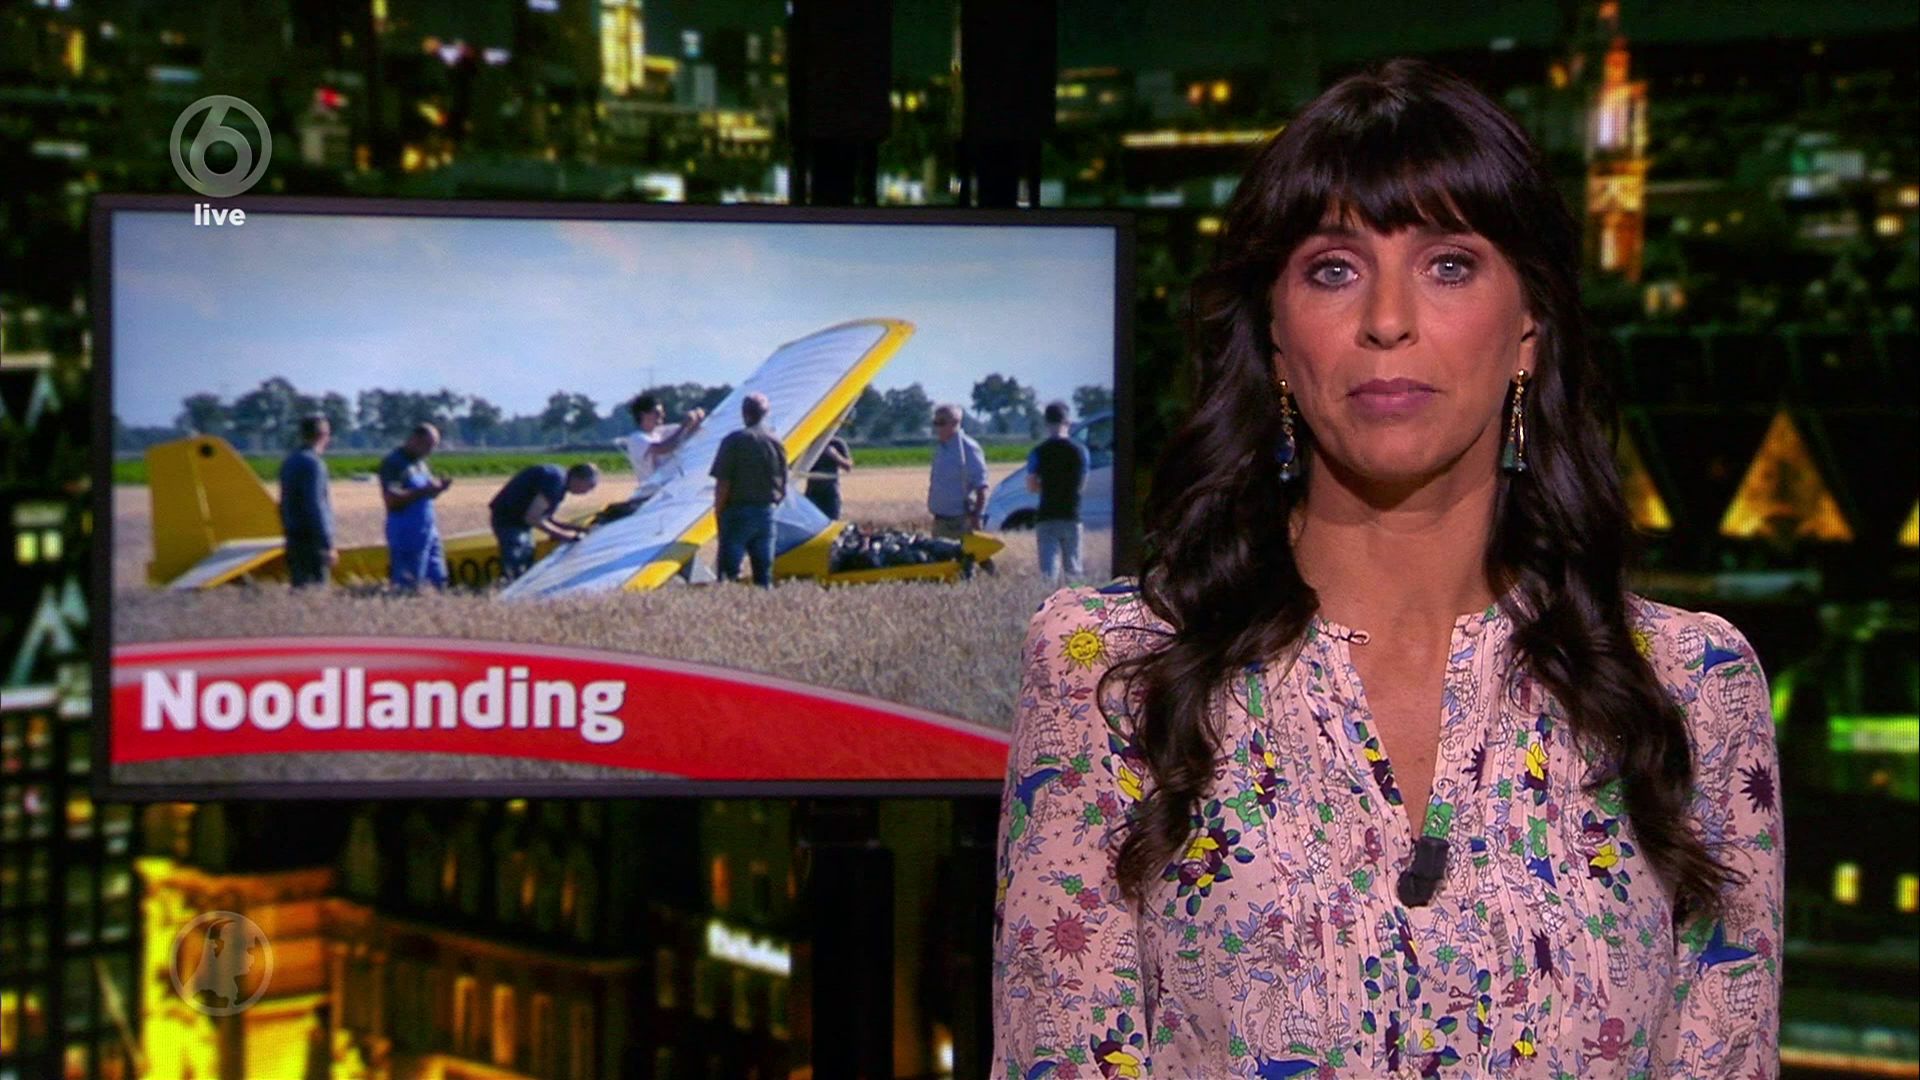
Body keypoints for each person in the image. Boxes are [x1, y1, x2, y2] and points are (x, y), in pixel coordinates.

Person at [992, 59, 1781, 1080]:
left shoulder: (1688, 685)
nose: (1388, 319)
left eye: (1449, 264)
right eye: (1334, 269)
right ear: (1277, 341)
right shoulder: (1114, 670)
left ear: (1528, 329)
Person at [710, 392, 786, 588]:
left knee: (728, 574)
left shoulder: (733, 441)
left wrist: (718, 512)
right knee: (764, 575)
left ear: (745, 414)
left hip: (736, 513)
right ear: (765, 414)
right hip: (766, 512)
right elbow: (782, 484)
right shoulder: (776, 442)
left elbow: (723, 483)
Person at [488, 462, 599, 581]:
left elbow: (546, 518)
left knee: (527, 557)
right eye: (590, 485)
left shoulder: (559, 480)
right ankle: (508, 585)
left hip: (518, 521)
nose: (590, 491)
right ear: (578, 479)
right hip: (509, 521)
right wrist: (566, 536)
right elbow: (533, 518)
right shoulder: (555, 481)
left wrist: (578, 529)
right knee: (518, 561)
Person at [379, 423, 453, 592]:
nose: (430, 451)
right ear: (414, 440)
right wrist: (425, 490)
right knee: (409, 585)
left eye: (433, 446)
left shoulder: (421, 464)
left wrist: (438, 489)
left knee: (439, 581)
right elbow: (392, 500)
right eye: (428, 445)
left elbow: (425, 494)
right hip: (406, 531)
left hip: (428, 530)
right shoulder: (394, 463)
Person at [1026, 401, 1089, 580]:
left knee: (1048, 574)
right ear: (1067, 422)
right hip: (1071, 515)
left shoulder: (1038, 452)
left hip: (1047, 516)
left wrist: (1047, 487)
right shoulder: (1081, 451)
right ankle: (1077, 599)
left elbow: (1031, 486)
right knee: (1074, 572)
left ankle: (1048, 599)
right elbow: (1081, 485)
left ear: (1046, 423)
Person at [277, 414, 335, 588]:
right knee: (317, 591)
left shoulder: (290, 461)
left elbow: (283, 503)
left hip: (293, 537)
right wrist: (326, 544)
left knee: (299, 589)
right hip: (312, 541)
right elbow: (316, 505)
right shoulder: (314, 464)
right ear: (322, 435)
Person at [618, 393, 706, 503]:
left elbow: (686, 433)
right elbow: (663, 448)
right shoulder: (636, 439)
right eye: (657, 413)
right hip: (649, 495)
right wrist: (684, 426)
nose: (662, 415)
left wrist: (697, 419)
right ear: (643, 415)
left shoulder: (660, 432)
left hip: (667, 493)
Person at [926, 403, 987, 540]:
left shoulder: (968, 448)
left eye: (941, 423)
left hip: (961, 521)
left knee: (965, 553)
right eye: (935, 423)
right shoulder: (941, 448)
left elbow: (981, 487)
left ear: (955, 423)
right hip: (940, 520)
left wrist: (976, 516)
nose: (937, 428)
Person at [803, 435, 854, 520]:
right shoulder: (809, 443)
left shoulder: (837, 443)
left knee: (833, 521)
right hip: (812, 492)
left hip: (831, 492)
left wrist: (835, 456)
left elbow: (848, 466)